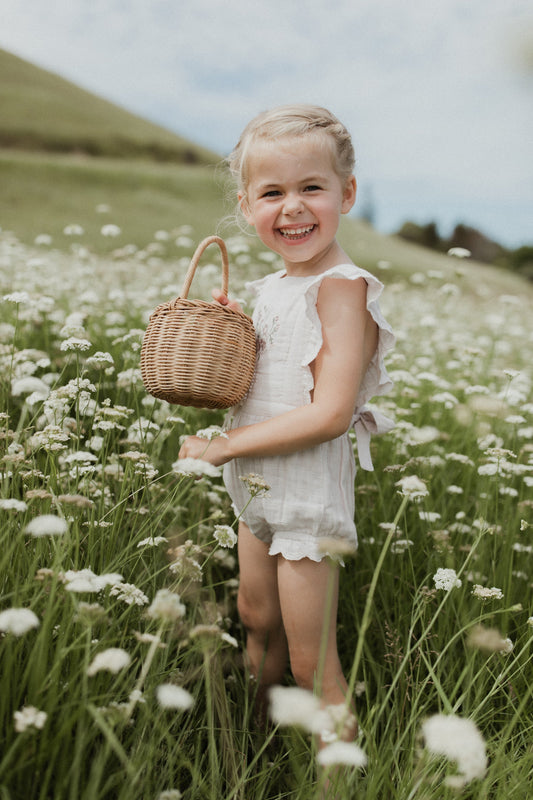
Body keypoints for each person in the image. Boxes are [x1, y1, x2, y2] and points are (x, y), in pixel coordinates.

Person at [179, 105, 395, 740]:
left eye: (312, 188)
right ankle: (254, 739)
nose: (293, 207)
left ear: (346, 194)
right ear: (247, 206)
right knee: (254, 615)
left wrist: (225, 445)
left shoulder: (343, 287)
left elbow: (329, 413)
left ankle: (338, 774)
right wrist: (229, 326)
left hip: (304, 500)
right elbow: (270, 374)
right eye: (272, 192)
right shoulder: (276, 284)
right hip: (257, 484)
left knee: (310, 663)